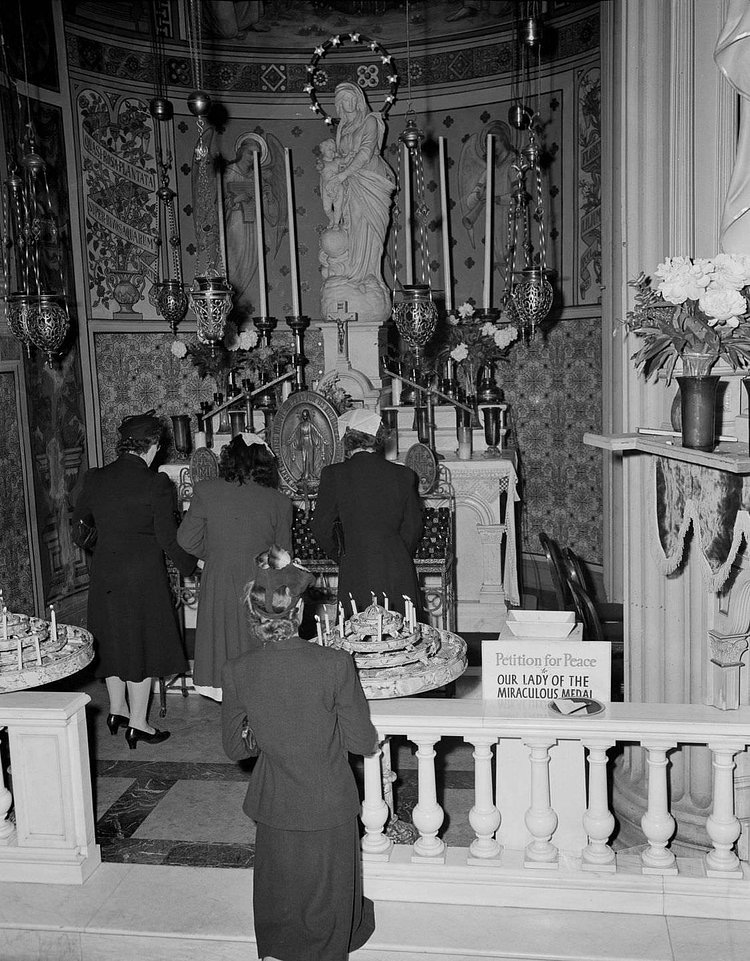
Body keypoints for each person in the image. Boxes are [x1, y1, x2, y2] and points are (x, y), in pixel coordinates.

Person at [221, 545, 378, 961]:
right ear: (300, 613)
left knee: (281, 888)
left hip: (275, 800)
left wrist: (268, 739)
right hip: (329, 800)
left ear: (255, 617)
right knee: (328, 890)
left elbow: (235, 745)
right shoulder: (335, 663)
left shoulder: (238, 669)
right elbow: (362, 742)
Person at [72, 411, 197, 749]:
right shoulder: (155, 483)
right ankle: (139, 723)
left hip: (106, 573)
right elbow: (168, 538)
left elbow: (79, 528)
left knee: (112, 640)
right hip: (143, 576)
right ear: (153, 445)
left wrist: (108, 546)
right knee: (142, 645)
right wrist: (191, 567)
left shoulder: (95, 478)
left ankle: (117, 709)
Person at [177, 433, 292, 699]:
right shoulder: (279, 501)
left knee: (223, 643)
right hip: (260, 581)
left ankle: (230, 707)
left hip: (219, 578)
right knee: (255, 643)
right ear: (265, 465)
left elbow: (185, 539)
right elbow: (284, 556)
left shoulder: (207, 490)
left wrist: (216, 555)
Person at [310, 408, 423, 617]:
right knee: (401, 639)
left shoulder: (334, 475)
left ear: (346, 438)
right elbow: (413, 527)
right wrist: (396, 551)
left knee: (357, 637)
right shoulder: (404, 475)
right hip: (397, 566)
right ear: (377, 438)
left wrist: (343, 555)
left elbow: (320, 528)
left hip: (356, 566)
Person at [322, 82, 395, 294]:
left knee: (369, 226)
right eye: (343, 100)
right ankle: (352, 275)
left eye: (351, 97)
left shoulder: (370, 121)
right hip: (350, 183)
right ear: (338, 105)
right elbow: (339, 156)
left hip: (370, 179)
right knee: (351, 224)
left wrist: (343, 173)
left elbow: (365, 152)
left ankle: (369, 275)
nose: (348, 103)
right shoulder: (342, 128)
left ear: (359, 99)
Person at [317, 137, 345, 228]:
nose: (332, 152)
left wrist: (350, 155)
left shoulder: (337, 161)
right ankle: (332, 219)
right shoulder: (322, 163)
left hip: (337, 186)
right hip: (326, 188)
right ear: (323, 151)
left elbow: (346, 161)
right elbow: (320, 175)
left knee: (338, 206)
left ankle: (336, 223)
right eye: (330, 149)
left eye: (334, 150)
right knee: (327, 208)